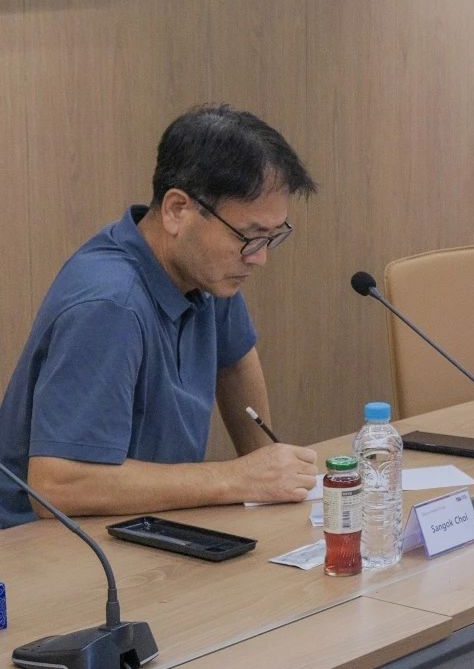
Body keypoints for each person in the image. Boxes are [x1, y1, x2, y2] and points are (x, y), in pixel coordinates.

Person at [0, 105, 319, 528]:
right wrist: (238, 478)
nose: (259, 258)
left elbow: (236, 362)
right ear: (176, 210)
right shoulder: (110, 304)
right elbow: (57, 487)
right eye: (249, 236)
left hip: (143, 521)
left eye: (271, 237)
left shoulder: (208, 271)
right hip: (46, 543)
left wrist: (270, 473)